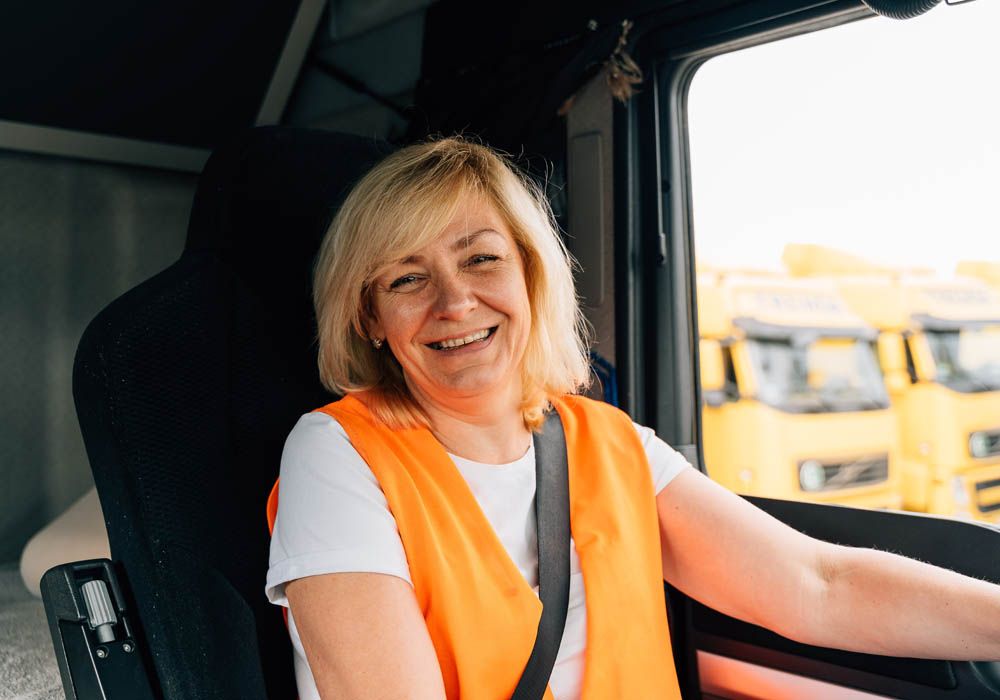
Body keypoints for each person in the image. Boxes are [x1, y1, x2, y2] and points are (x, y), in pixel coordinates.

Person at [265, 137, 1000, 700]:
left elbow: (817, 585)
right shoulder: (336, 455)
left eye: (481, 260)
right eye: (407, 278)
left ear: (530, 273)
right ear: (370, 319)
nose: (454, 301)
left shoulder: (608, 442)